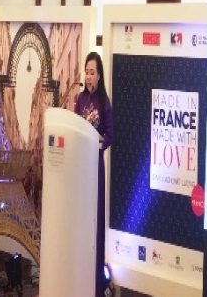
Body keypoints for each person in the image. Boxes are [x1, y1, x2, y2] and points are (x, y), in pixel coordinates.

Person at [74, 52, 113, 297]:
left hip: (95, 166)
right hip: (79, 166)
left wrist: (98, 142)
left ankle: (96, 283)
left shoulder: (104, 102)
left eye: (92, 72)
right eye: (86, 72)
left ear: (99, 75)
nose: (89, 77)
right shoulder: (79, 100)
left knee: (95, 221)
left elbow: (110, 135)